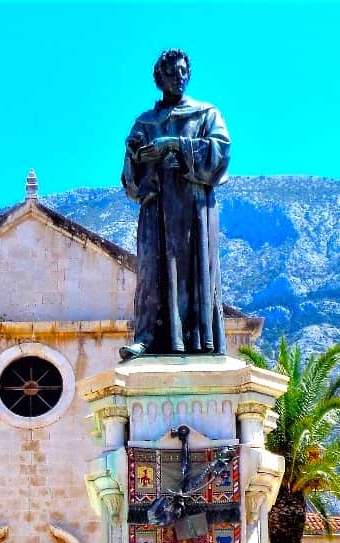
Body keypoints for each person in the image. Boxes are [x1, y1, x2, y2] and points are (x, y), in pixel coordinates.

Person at [121, 49, 230, 361]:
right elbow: (129, 179)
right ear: (160, 79)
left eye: (183, 72)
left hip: (193, 209)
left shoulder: (206, 114)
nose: (179, 78)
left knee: (192, 270)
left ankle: (198, 338)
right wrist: (138, 156)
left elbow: (221, 154)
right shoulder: (145, 123)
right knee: (151, 271)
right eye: (172, 73)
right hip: (156, 208)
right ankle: (148, 338)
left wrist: (175, 145)